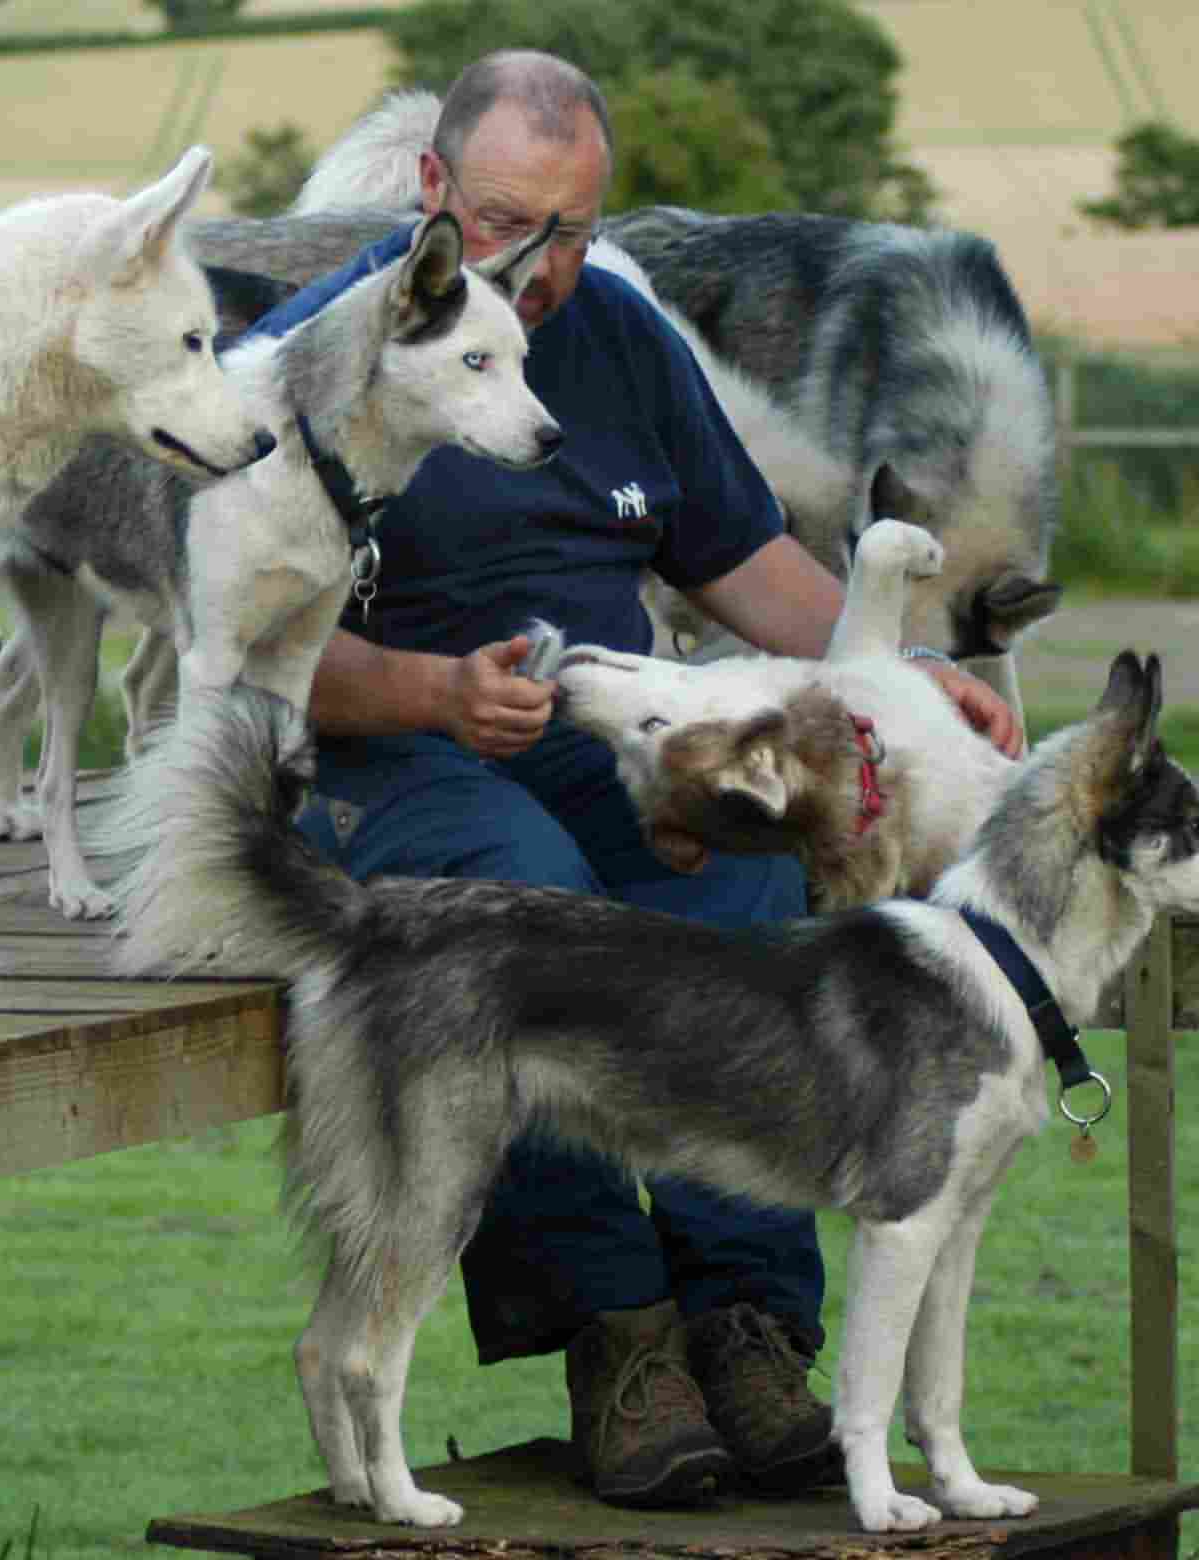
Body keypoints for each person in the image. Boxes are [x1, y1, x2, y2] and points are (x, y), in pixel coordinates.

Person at [243, 52, 1025, 1506]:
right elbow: (241, 642)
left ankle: (750, 1323)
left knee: (746, 875)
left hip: (612, 733)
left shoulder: (614, 332)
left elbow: (740, 560)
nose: (541, 266)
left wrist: (900, 675)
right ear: (428, 192)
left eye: (578, 229)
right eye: (502, 223)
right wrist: (425, 688)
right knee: (522, 914)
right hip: (394, 755)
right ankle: (622, 1336)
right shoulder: (318, 353)